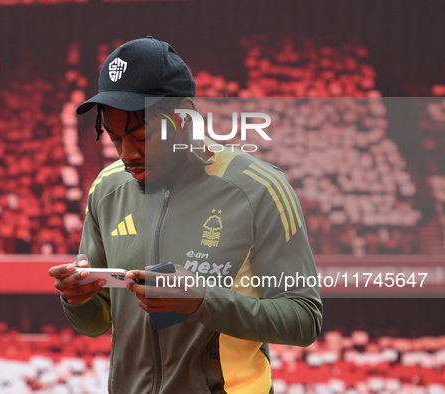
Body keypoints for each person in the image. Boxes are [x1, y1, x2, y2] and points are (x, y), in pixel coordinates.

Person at [49, 36, 323, 393]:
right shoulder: (107, 189)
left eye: (141, 136)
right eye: (115, 138)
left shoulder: (258, 188)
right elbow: (97, 321)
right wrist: (76, 298)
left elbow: (304, 319)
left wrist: (203, 300)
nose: (127, 154)